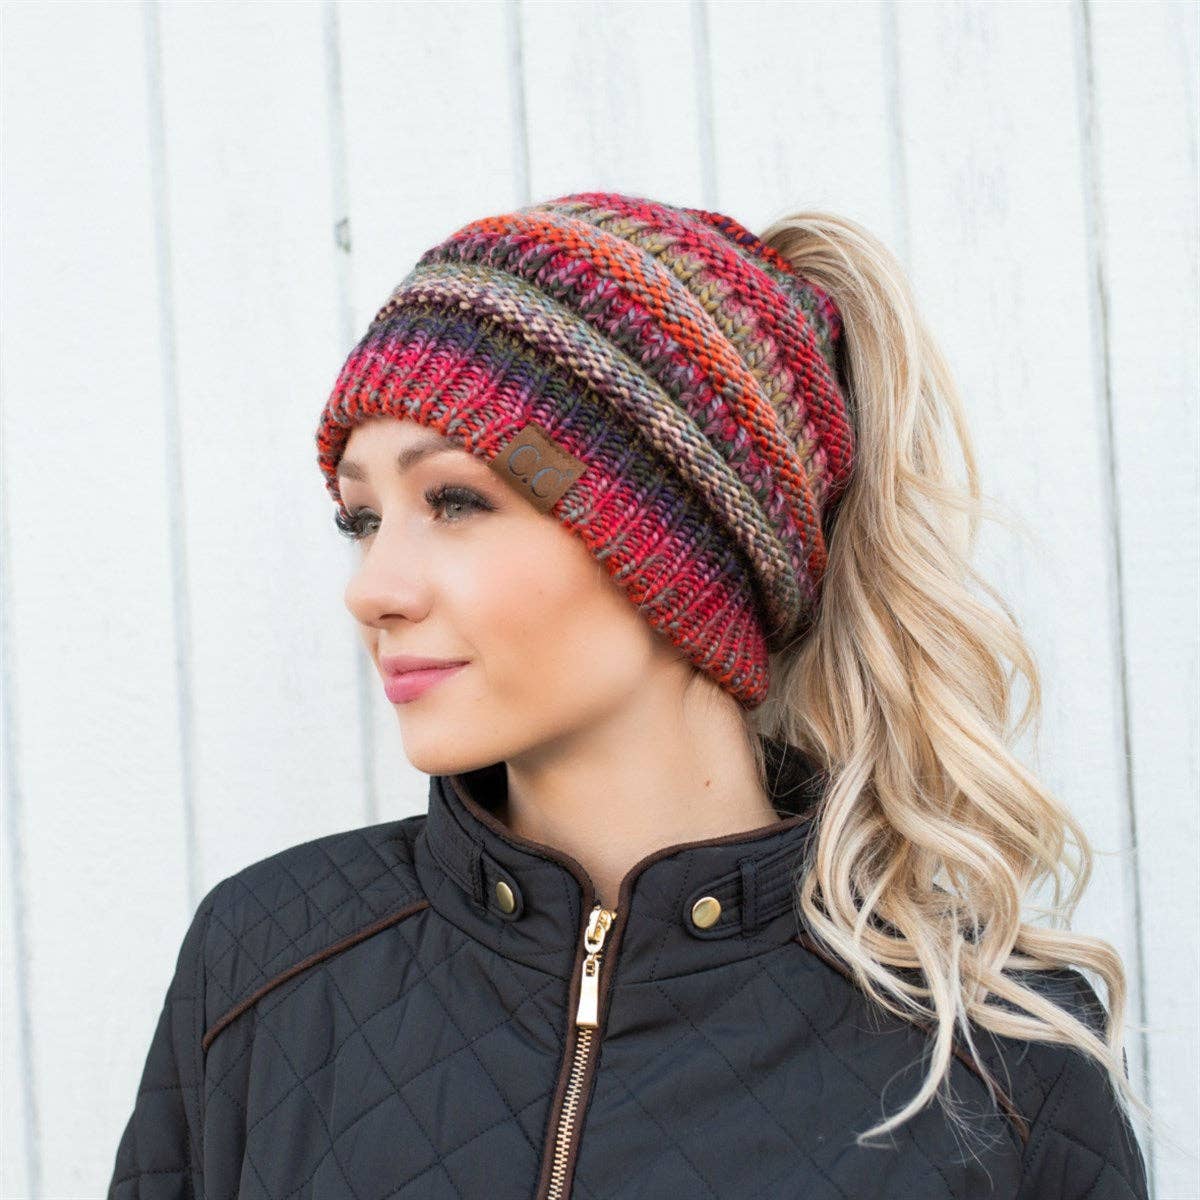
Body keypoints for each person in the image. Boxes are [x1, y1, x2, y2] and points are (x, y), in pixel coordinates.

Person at [108, 191, 1152, 1199]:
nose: (372, 589)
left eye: (457, 501)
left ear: (682, 548)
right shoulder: (268, 963)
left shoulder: (998, 1060)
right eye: (362, 519)